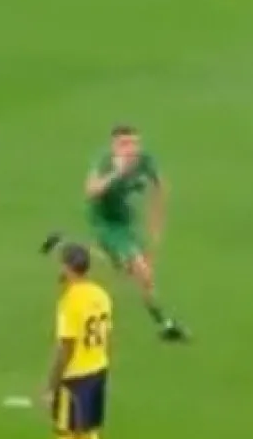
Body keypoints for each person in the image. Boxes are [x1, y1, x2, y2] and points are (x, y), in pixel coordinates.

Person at [49, 125, 184, 341]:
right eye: (124, 144)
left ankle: (64, 243)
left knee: (127, 271)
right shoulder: (104, 163)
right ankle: (165, 325)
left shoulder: (145, 161)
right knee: (142, 271)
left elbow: (160, 188)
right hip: (105, 223)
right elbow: (91, 191)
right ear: (114, 147)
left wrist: (156, 226)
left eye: (134, 143)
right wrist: (116, 173)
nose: (130, 149)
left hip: (126, 220)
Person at [44, 241, 111, 439]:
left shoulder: (70, 301)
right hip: (98, 370)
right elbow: (108, 335)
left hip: (75, 379)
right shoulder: (100, 295)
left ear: (68, 267)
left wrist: (51, 386)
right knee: (90, 437)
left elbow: (66, 347)